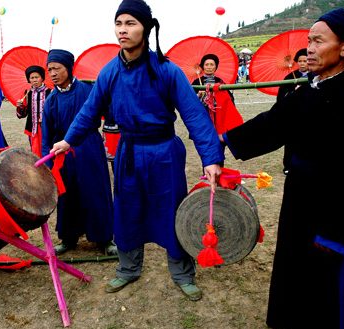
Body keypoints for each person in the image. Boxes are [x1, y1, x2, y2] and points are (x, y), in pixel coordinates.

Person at [50, 0, 223, 301]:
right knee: (127, 211)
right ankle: (128, 269)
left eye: (130, 23)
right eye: (119, 24)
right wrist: (68, 140)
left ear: (146, 27)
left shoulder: (167, 70)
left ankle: (182, 272)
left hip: (164, 151)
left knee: (171, 210)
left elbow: (194, 114)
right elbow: (89, 112)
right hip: (128, 152)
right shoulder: (109, 73)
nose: (123, 30)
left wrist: (210, 158)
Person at [221, 8, 344, 329]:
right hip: (300, 199)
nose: (311, 49)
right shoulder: (304, 94)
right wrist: (220, 142)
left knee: (337, 288)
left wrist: (338, 233)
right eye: (309, 41)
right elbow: (268, 127)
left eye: (318, 41)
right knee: (297, 268)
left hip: (337, 214)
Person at [42, 49, 116, 256]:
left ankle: (105, 239)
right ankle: (68, 238)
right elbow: (46, 135)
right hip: (62, 154)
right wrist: (47, 165)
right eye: (50, 70)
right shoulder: (51, 100)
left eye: (57, 68)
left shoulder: (88, 90)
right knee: (68, 195)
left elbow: (110, 112)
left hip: (89, 147)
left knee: (95, 192)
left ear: (68, 67)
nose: (53, 73)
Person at [276, 48, 308, 175]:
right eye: (300, 61)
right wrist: (293, 92)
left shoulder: (316, 76)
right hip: (293, 115)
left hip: (308, 114)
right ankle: (288, 165)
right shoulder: (290, 77)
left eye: (305, 61)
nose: (302, 63)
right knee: (290, 141)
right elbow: (281, 97)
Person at [16, 65, 51, 158]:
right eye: (32, 78)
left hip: (48, 128)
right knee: (35, 152)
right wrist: (20, 106)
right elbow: (22, 115)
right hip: (33, 128)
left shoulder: (50, 92)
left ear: (42, 78)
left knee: (48, 149)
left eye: (37, 77)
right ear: (29, 79)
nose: (34, 80)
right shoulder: (27, 93)